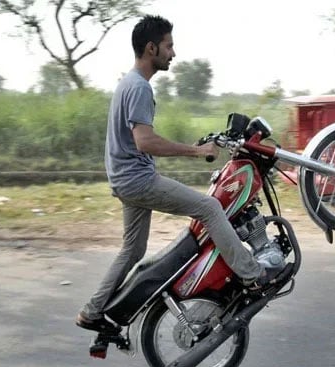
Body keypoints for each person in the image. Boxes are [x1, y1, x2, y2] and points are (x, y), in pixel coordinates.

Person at [75, 15, 285, 334]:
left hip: (124, 180)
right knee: (211, 209)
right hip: (137, 181)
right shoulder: (140, 88)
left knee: (133, 250)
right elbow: (144, 141)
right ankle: (251, 275)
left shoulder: (128, 83)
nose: (173, 53)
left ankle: (92, 312)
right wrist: (197, 151)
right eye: (169, 46)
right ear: (151, 48)